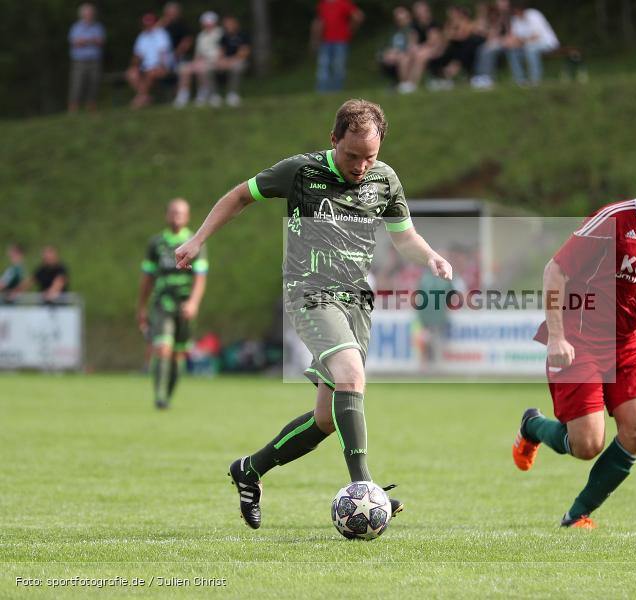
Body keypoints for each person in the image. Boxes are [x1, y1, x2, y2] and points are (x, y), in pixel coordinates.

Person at [173, 99, 452, 529]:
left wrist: (430, 256)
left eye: (369, 157)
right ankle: (365, 488)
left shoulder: (385, 180)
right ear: (333, 140)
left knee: (326, 419)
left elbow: (405, 236)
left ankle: (250, 469)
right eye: (351, 155)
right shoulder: (300, 172)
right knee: (351, 376)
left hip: (357, 302)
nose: (360, 166)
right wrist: (197, 240)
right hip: (309, 293)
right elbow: (239, 196)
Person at [512, 148, 636, 529]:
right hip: (577, 337)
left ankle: (577, 514)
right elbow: (555, 270)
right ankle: (532, 426)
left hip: (626, 343)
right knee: (587, 445)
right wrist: (558, 337)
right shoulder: (614, 220)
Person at [137, 199, 208, 410]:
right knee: (163, 348)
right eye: (173, 212)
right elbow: (147, 278)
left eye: (181, 213)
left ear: (187, 216)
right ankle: (159, 396)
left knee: (178, 353)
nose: (176, 216)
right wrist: (140, 306)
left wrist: (194, 302)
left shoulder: (195, 242)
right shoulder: (156, 243)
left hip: (184, 306)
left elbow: (200, 277)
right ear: (167, 215)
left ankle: (167, 395)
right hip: (162, 302)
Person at [427, 5, 486, 88]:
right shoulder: (449, 23)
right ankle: (441, 76)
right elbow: (446, 37)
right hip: (452, 48)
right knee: (437, 54)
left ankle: (452, 70)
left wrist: (452, 34)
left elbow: (462, 35)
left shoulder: (466, 22)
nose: (451, 15)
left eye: (453, 13)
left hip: (463, 49)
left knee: (462, 48)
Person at [311, 0, 364, 93]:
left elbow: (358, 16)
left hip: (340, 41)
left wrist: (351, 29)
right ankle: (322, 91)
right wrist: (316, 39)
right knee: (323, 66)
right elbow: (319, 22)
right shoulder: (322, 4)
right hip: (325, 41)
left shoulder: (343, 3)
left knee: (338, 66)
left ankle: (336, 91)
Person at [173, 11, 222, 108]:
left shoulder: (220, 33)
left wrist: (206, 59)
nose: (207, 25)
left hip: (214, 61)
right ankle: (183, 95)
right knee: (184, 68)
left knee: (202, 68)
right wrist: (195, 62)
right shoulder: (201, 36)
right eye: (206, 23)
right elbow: (198, 53)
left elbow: (220, 52)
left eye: (209, 23)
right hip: (202, 61)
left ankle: (203, 94)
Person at [125, 13, 172, 109]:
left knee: (150, 73)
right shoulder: (142, 37)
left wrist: (163, 66)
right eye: (146, 24)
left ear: (154, 23)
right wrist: (134, 67)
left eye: (150, 23)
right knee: (131, 74)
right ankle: (145, 97)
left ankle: (139, 99)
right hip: (146, 67)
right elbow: (138, 55)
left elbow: (163, 53)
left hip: (161, 66)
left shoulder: (161, 34)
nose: (148, 26)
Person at [507, 3, 558, 85]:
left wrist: (521, 41)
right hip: (527, 45)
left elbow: (536, 36)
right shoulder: (515, 19)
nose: (516, 14)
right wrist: (511, 43)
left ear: (521, 10)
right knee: (513, 52)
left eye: (517, 11)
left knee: (530, 49)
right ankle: (520, 80)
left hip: (547, 43)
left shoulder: (534, 15)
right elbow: (514, 37)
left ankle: (535, 80)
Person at [67, 3, 105, 113]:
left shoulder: (98, 27)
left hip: (95, 60)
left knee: (94, 83)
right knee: (77, 84)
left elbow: (100, 42)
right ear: (82, 15)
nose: (90, 15)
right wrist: (92, 41)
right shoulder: (76, 27)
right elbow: (76, 42)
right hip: (79, 61)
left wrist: (85, 41)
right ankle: (73, 107)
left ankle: (91, 106)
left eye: (91, 13)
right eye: (88, 13)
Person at [471, 0, 513, 89]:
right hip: (497, 41)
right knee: (481, 49)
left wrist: (498, 39)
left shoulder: (511, 15)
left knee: (489, 50)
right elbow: (487, 31)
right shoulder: (496, 16)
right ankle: (480, 76)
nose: (501, 4)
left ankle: (488, 77)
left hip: (508, 43)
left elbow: (511, 34)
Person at [405, 1, 446, 92]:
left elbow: (433, 42)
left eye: (422, 11)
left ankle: (413, 83)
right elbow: (412, 40)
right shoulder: (414, 25)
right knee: (406, 56)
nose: (420, 13)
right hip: (422, 48)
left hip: (436, 48)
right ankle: (405, 82)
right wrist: (413, 48)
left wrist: (419, 48)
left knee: (421, 56)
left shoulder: (433, 23)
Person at [212, 16, 251, 107]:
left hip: (240, 60)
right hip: (226, 61)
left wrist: (231, 60)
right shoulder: (223, 37)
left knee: (236, 67)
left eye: (230, 24)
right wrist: (221, 61)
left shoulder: (243, 35)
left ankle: (232, 94)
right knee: (209, 69)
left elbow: (244, 52)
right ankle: (215, 95)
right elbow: (221, 52)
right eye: (226, 24)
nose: (228, 26)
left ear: (235, 24)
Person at [379, 6, 416, 92]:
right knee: (385, 58)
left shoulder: (411, 30)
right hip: (396, 54)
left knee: (402, 59)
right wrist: (389, 52)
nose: (400, 21)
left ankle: (404, 84)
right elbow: (392, 45)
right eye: (398, 19)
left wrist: (397, 53)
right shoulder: (395, 30)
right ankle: (396, 81)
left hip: (405, 54)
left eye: (402, 18)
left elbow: (411, 46)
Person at [159, 2, 193, 73]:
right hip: (161, 56)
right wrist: (163, 22)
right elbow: (152, 33)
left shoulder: (182, 25)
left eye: (173, 12)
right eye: (169, 12)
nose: (172, 15)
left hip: (176, 56)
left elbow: (187, 41)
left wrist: (177, 54)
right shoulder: (162, 26)